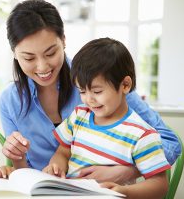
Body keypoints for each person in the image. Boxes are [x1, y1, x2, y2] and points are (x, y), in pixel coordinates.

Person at [0, 0, 180, 184]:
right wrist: (15, 158)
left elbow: (170, 142)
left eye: (50, 53)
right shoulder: (10, 102)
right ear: (14, 52)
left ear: (63, 41)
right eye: (29, 58)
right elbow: (25, 170)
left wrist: (128, 171)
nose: (42, 66)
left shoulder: (100, 79)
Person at [42, 38, 170, 198]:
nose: (89, 99)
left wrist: (125, 191)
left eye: (97, 92)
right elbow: (63, 152)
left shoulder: (141, 135)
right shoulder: (78, 116)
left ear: (125, 85)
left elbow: (160, 185)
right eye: (82, 91)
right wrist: (56, 166)